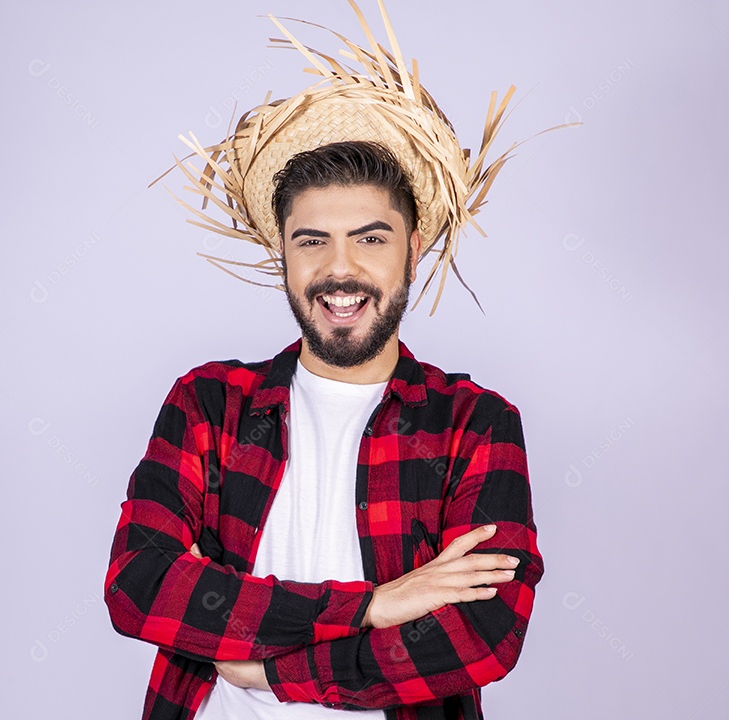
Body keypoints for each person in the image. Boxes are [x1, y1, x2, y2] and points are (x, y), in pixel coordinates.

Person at [105, 2, 557, 718]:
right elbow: (140, 586)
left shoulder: (475, 425)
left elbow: (480, 638)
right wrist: (377, 605)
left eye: (370, 240)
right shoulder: (208, 406)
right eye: (312, 241)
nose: (339, 270)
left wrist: (273, 673)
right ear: (282, 253)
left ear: (411, 251)